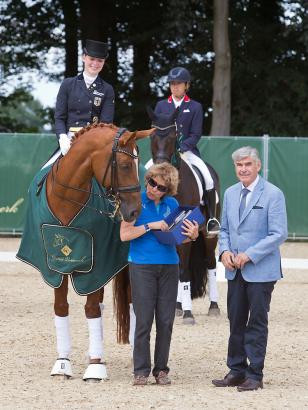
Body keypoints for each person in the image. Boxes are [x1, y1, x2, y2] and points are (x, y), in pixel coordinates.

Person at [212, 146, 288, 392]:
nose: (243, 169)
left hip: (261, 270)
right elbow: (223, 229)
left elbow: (279, 233)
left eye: (247, 164)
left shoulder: (273, 194)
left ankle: (254, 374)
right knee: (235, 320)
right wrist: (223, 252)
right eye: (239, 165)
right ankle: (236, 370)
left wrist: (249, 254)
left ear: (258, 166)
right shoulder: (231, 193)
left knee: (256, 322)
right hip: (234, 269)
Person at [120, 163, 199, 386]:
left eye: (161, 187)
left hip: (169, 265)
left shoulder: (172, 204)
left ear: (169, 190)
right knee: (144, 320)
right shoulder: (136, 201)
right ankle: (141, 371)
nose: (155, 189)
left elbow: (177, 237)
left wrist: (191, 236)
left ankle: (161, 370)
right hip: (142, 266)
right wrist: (150, 226)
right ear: (147, 180)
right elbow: (124, 235)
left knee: (165, 321)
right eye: (152, 183)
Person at [154, 66, 220, 234]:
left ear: (186, 85)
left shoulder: (195, 106)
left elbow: (196, 133)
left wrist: (181, 148)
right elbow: (156, 132)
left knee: (209, 178)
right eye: (172, 83)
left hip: (187, 151)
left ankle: (212, 218)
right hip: (164, 153)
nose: (175, 86)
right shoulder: (161, 106)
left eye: (179, 83)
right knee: (147, 175)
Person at [54, 39, 115, 158]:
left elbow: (105, 123)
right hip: (69, 139)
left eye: (100, 60)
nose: (95, 63)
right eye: (92, 59)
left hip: (95, 140)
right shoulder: (68, 84)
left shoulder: (107, 89)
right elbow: (59, 117)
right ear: (83, 57)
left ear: (103, 62)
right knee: (44, 172)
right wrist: (62, 137)